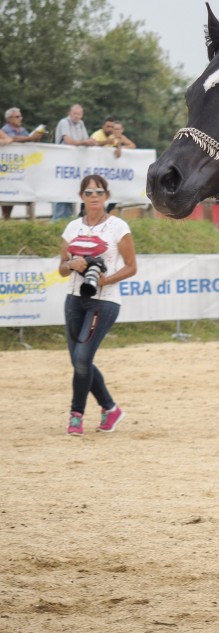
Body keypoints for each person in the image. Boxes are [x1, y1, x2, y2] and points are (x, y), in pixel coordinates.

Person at [58, 174, 137, 435]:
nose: (94, 196)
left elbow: (131, 267)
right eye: (89, 192)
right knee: (80, 361)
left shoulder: (118, 227)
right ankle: (110, 408)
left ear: (107, 197)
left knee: (82, 359)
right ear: (81, 197)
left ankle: (76, 414)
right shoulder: (71, 228)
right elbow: (61, 269)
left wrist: (106, 280)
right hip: (74, 299)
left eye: (99, 192)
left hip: (103, 301)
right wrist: (72, 263)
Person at [53, 104, 98, 220]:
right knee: (60, 190)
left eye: (79, 114)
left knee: (71, 190)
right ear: (69, 113)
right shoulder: (64, 122)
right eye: (74, 113)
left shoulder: (81, 124)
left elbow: (86, 139)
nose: (76, 116)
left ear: (82, 115)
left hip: (74, 163)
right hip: (62, 161)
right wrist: (85, 142)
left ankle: (67, 219)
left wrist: (90, 142)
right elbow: (68, 140)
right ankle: (57, 219)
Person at [2, 107, 47, 219]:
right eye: (17, 116)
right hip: (8, 167)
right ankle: (6, 219)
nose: (20, 118)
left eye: (20, 116)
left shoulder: (22, 130)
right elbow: (11, 139)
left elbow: (28, 139)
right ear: (9, 118)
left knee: (22, 192)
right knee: (8, 193)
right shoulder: (5, 129)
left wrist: (36, 137)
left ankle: (28, 218)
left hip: (22, 166)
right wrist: (30, 138)